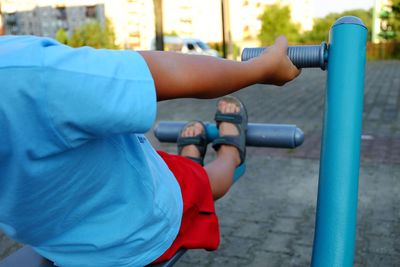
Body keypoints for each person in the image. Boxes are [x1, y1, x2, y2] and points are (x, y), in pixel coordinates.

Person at [0, 35, 299, 267]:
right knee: (205, 183)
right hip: (137, 226)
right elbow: (166, 73)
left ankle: (189, 156)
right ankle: (230, 153)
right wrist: (260, 68)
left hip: (62, 235)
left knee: (170, 165)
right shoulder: (25, 72)